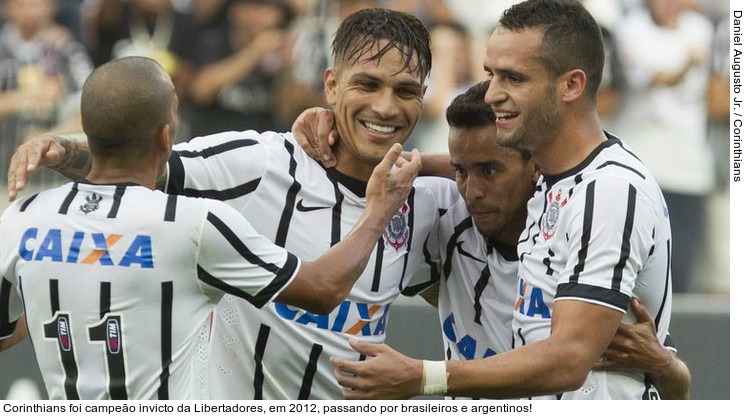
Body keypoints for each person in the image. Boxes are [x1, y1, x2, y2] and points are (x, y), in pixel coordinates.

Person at [6, 8, 442, 400]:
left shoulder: (425, 201)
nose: (385, 106)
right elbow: (145, 161)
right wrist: (62, 149)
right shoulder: (260, 164)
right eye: (367, 84)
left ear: (423, 95)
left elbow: (497, 185)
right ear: (331, 85)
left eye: (405, 91)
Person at [328, 0, 675, 399]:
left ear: (572, 85)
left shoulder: (610, 191)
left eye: (513, 78)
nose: (493, 94)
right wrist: (332, 125)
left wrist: (425, 377)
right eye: (492, 74)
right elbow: (480, 164)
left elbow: (569, 359)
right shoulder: (549, 182)